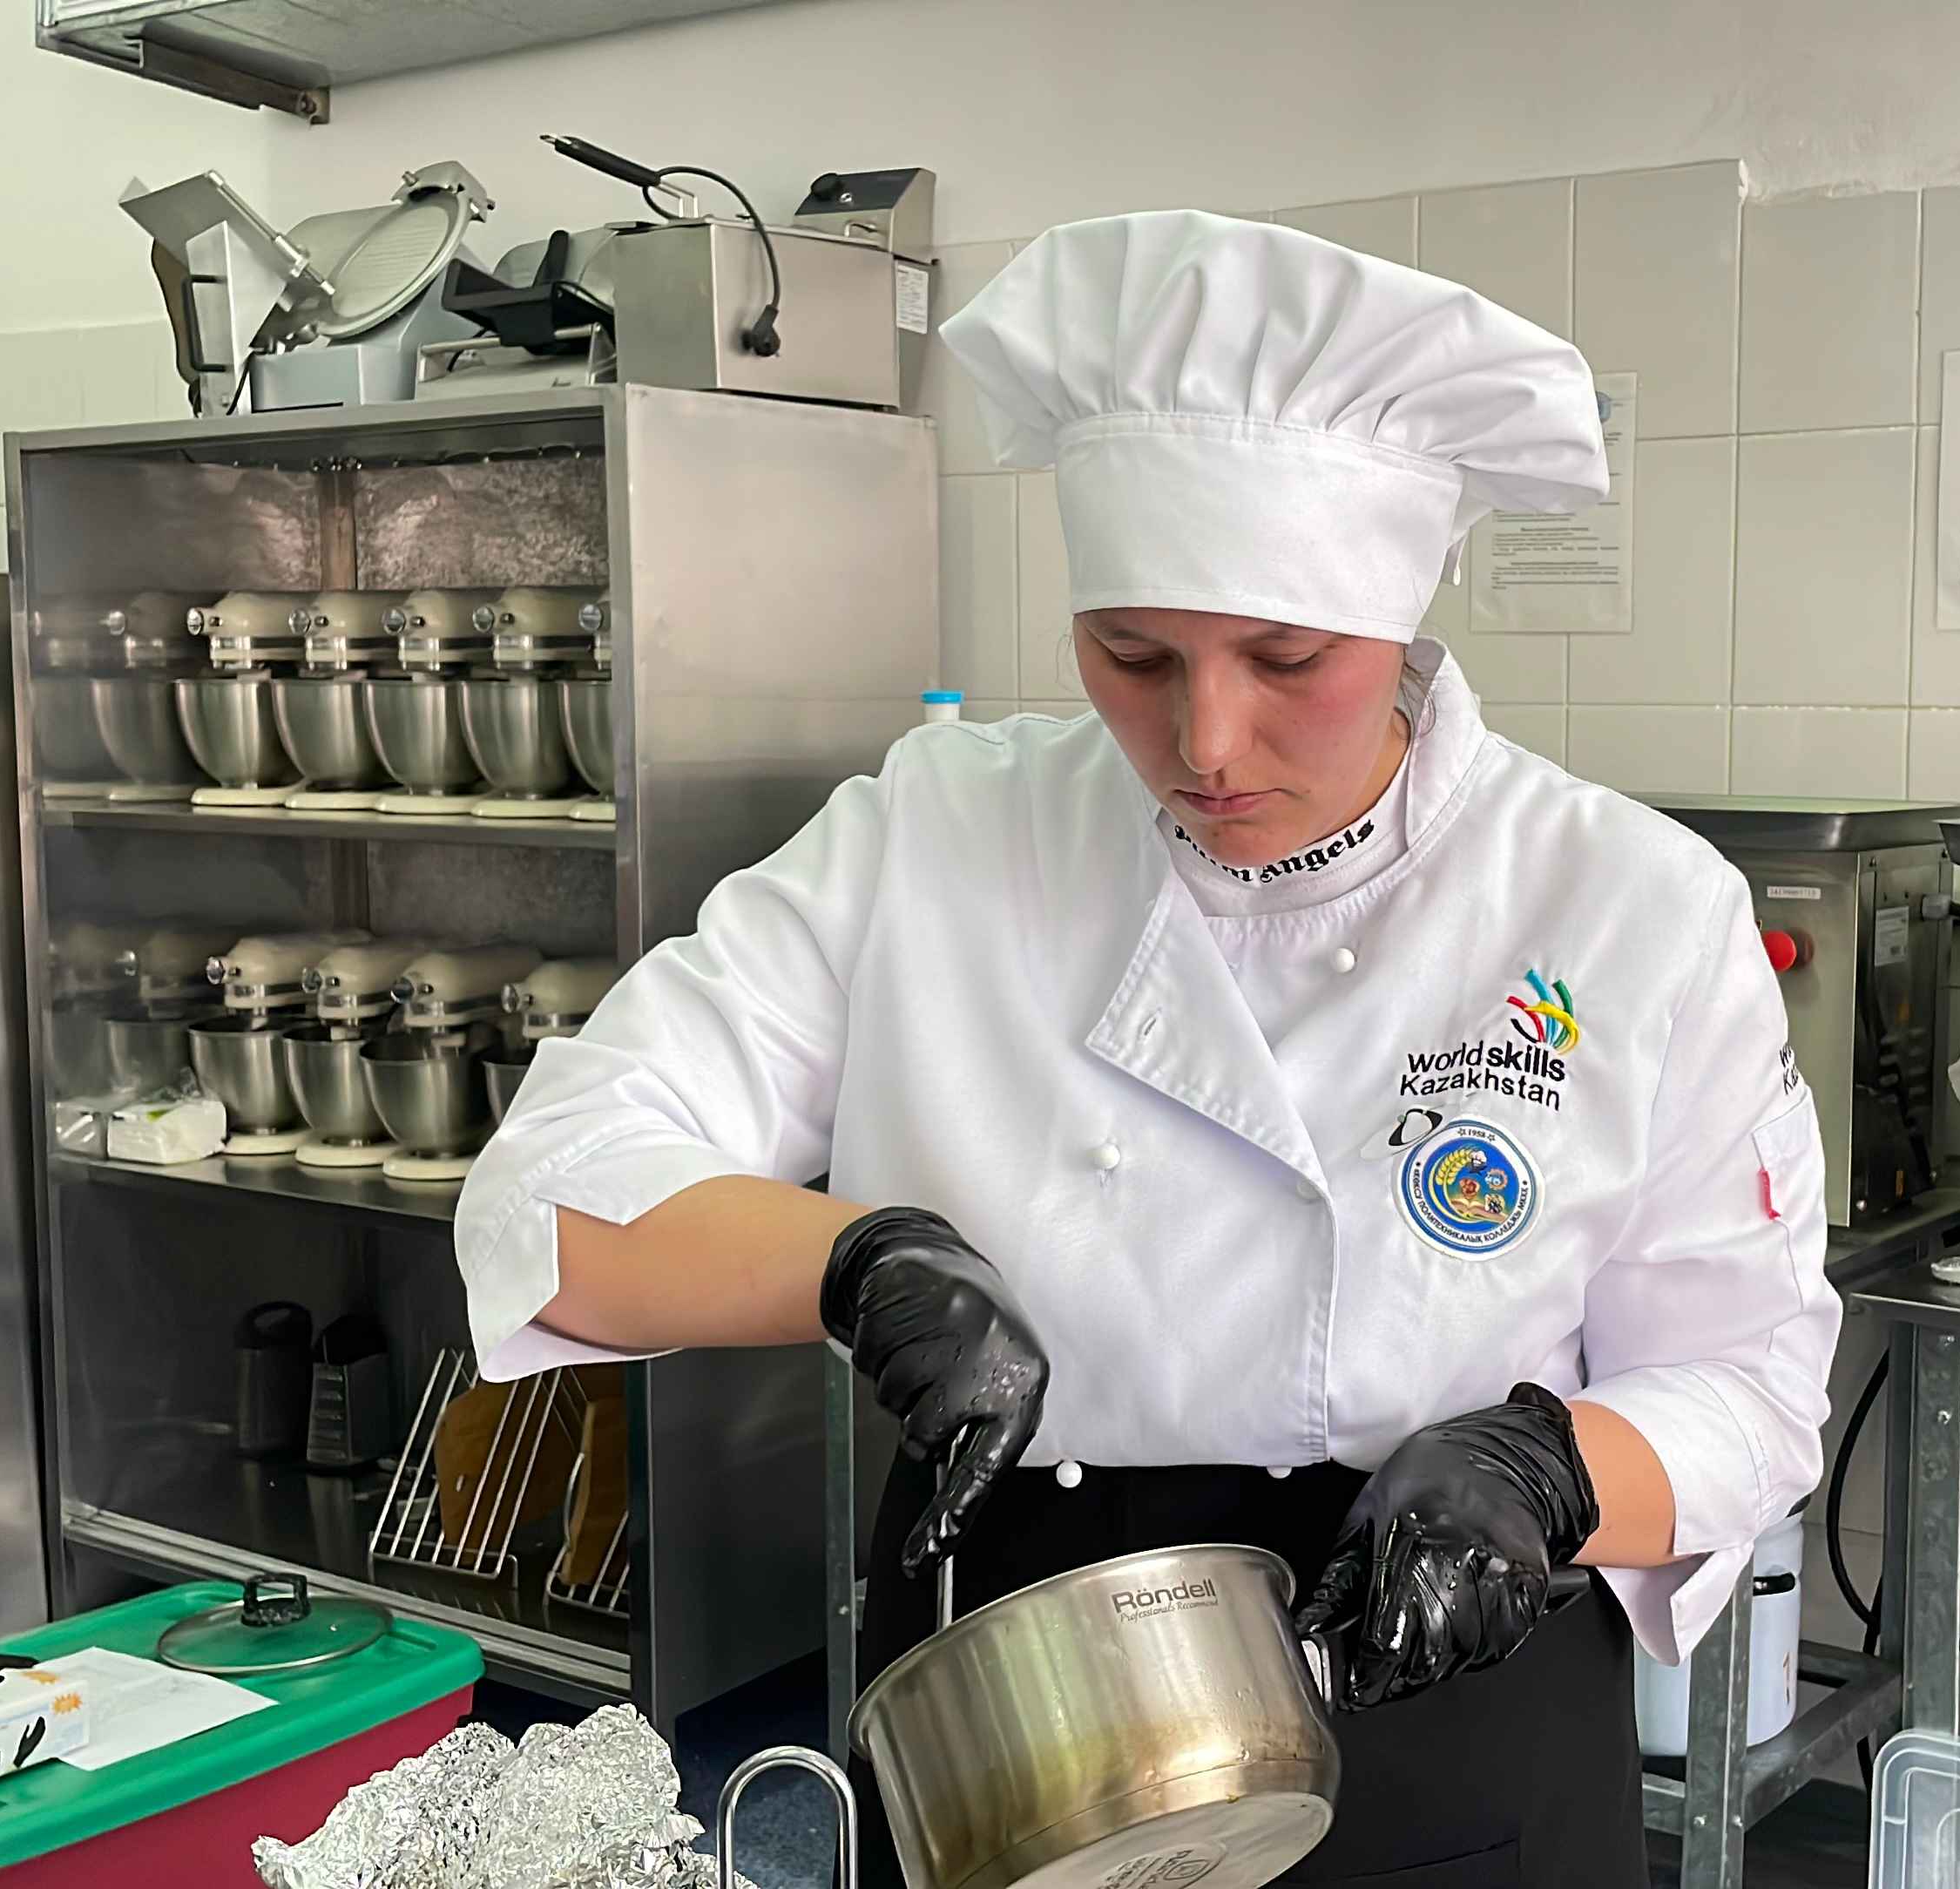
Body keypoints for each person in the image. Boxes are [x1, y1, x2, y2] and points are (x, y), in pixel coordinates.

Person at [456, 212, 1840, 1885]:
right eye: (1133, 655)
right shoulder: (938, 835)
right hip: (1013, 1683)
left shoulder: (1626, 903)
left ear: (1400, 626)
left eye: (1287, 660)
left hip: (1441, 1667)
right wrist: (852, 1263)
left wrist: (1547, 1469)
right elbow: (552, 1198)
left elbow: (1753, 1380)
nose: (1206, 740)